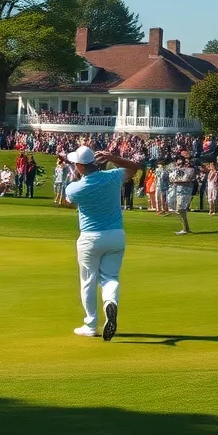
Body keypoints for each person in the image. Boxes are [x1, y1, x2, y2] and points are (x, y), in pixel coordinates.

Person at [64, 145, 140, 342]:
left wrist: (77, 174)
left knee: (88, 280)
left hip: (90, 237)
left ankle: (90, 325)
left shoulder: (76, 188)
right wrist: (113, 157)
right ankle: (110, 302)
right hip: (116, 235)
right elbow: (135, 167)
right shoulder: (112, 177)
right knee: (110, 277)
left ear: (80, 166)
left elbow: (69, 199)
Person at [166, 155, 197, 235]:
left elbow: (188, 179)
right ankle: (186, 228)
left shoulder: (191, 169)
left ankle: (186, 229)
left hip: (185, 192)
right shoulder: (177, 170)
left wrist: (177, 181)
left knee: (180, 209)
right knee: (177, 209)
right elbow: (172, 178)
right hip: (177, 190)